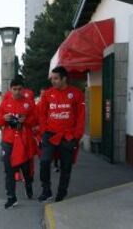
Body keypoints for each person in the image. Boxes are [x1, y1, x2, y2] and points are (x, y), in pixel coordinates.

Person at [38, 66, 85, 203]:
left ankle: (61, 193)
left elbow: (80, 117)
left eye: (56, 78)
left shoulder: (76, 94)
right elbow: (42, 115)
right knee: (44, 161)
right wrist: (44, 132)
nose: (53, 81)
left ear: (64, 78)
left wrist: (77, 136)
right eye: (52, 79)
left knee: (66, 167)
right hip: (50, 135)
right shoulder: (47, 94)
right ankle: (46, 191)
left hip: (68, 136)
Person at [0, 78, 37, 208]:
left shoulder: (29, 103)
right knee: (9, 170)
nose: (17, 92)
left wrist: (26, 120)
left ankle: (28, 185)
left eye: (20, 89)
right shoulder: (4, 104)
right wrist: (4, 118)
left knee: (26, 169)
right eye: (14, 89)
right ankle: (11, 197)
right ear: (10, 90)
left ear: (23, 89)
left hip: (24, 141)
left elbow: (35, 121)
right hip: (8, 141)